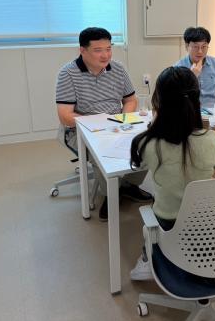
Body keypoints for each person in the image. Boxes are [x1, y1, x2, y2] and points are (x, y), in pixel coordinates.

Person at [128, 66, 215, 281]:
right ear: (196, 101)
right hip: (208, 225)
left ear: (159, 103)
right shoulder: (212, 139)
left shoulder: (147, 143)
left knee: (157, 188)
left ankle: (148, 259)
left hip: (168, 225)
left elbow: (141, 164)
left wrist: (155, 122)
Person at [55, 27, 152, 222]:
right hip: (81, 130)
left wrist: (123, 120)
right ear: (82, 50)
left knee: (146, 143)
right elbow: (65, 116)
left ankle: (128, 185)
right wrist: (99, 124)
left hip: (116, 124)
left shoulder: (118, 68)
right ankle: (111, 194)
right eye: (98, 50)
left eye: (108, 49)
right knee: (102, 152)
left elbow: (130, 100)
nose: (105, 55)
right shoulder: (68, 73)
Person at [174, 26, 215, 107]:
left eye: (204, 47)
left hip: (213, 110)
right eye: (195, 47)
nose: (200, 51)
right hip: (190, 110)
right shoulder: (178, 68)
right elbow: (176, 98)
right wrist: (192, 77)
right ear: (187, 46)